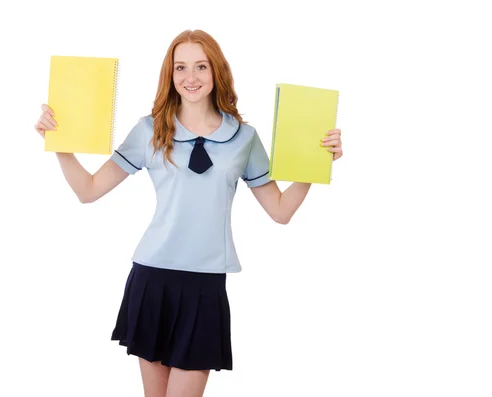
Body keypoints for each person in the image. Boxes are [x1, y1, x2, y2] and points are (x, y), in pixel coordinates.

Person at [34, 29, 343, 397]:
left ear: (217, 72)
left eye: (201, 66)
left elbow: (281, 211)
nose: (190, 77)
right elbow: (88, 191)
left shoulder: (244, 138)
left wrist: (314, 164)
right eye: (181, 67)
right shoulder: (150, 131)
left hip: (204, 285)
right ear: (170, 74)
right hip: (152, 277)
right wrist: (60, 145)